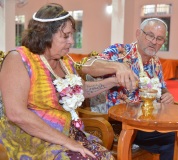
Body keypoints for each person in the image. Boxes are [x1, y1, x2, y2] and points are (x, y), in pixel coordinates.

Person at [0, 3, 116, 160]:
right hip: (31, 138)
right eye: (66, 36)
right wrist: (68, 142)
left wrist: (114, 81)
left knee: (104, 156)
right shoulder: (19, 59)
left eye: (71, 35)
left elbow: (82, 90)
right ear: (45, 35)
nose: (72, 42)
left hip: (68, 133)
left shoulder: (65, 61)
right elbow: (16, 113)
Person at [80, 18, 178, 160]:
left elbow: (162, 88)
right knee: (174, 138)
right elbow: (87, 66)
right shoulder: (120, 52)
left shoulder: (155, 61)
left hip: (152, 118)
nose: (154, 42)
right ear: (138, 33)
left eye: (159, 38)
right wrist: (117, 66)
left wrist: (167, 94)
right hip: (124, 122)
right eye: (150, 35)